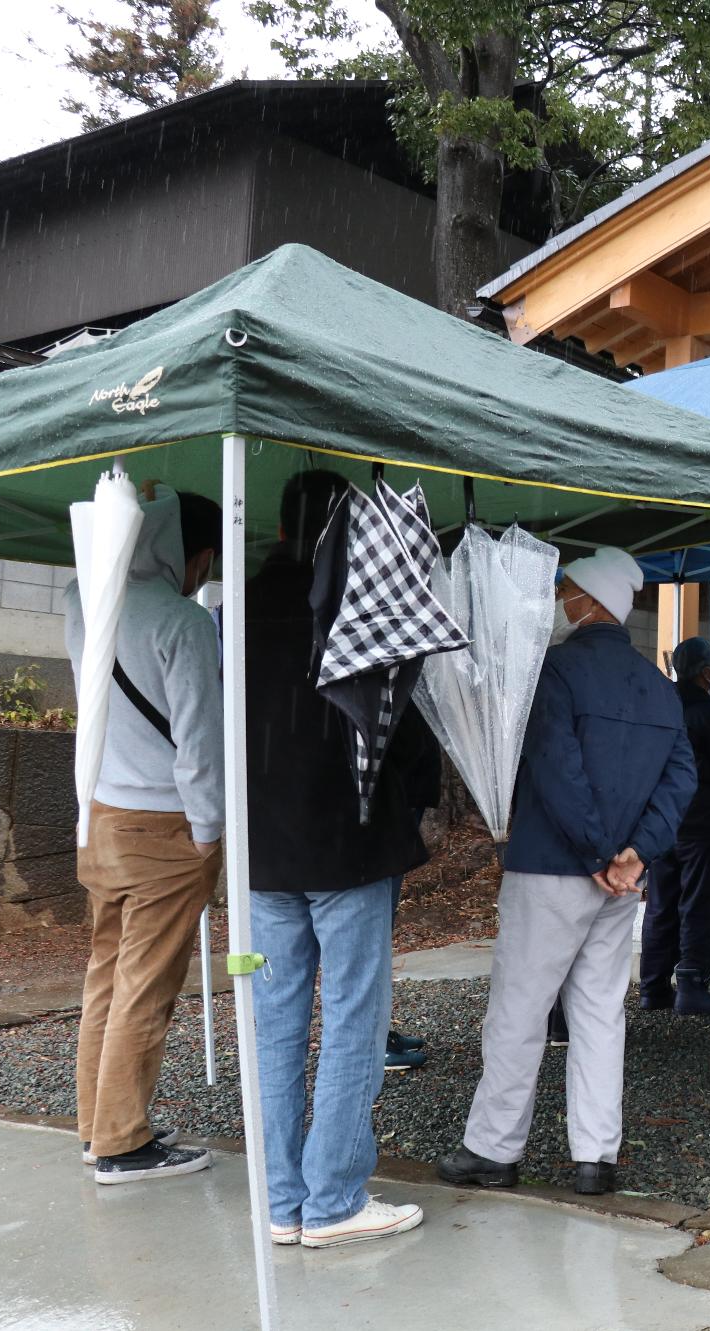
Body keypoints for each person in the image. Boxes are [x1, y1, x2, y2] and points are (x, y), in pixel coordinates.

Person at [441, 549, 695, 1196]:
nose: (560, 598)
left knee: (519, 1010)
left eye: (567, 587)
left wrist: (596, 853)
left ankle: (494, 1149)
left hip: (552, 867)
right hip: (620, 881)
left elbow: (557, 768)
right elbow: (680, 780)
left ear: (589, 600)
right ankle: (595, 1156)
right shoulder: (661, 690)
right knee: (601, 1012)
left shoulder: (553, 670)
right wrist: (636, 851)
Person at [248, 469, 442, 1247]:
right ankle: (333, 1202)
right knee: (354, 1017)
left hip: (265, 849)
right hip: (349, 844)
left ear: (285, 527)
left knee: (275, 1024)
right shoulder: (365, 602)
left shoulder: (239, 610)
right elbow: (399, 726)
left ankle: (281, 1200)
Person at [64, 485, 223, 1184]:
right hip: (165, 825)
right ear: (194, 554)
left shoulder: (80, 596)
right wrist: (211, 831)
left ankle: (96, 1125)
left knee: (105, 974)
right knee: (145, 986)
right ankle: (124, 1142)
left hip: (97, 816)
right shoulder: (183, 622)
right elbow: (200, 743)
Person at [639, 635, 710, 1015]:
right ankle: (692, 983)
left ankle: (652, 986)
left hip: (661, 825)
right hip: (701, 824)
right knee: (699, 903)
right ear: (705, 672)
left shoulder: (659, 713)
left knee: (660, 903)